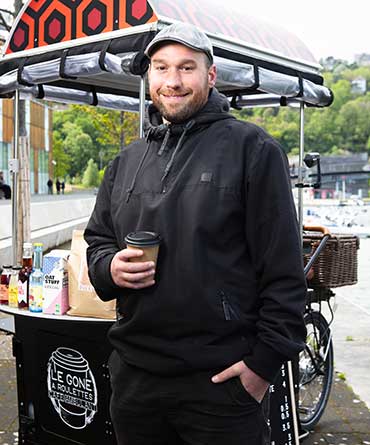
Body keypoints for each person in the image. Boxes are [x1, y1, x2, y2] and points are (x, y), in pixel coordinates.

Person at [84, 22, 307, 445]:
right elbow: (98, 241)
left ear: (211, 75)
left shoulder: (253, 150)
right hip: (135, 382)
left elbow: (284, 270)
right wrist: (110, 267)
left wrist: (262, 367)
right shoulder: (126, 161)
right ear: (148, 75)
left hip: (220, 386)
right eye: (161, 67)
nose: (172, 81)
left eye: (187, 68)